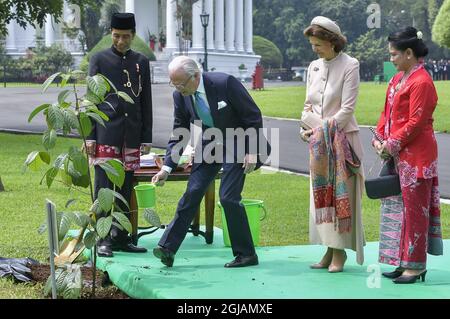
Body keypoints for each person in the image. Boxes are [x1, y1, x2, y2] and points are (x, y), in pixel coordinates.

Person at [151, 56, 271, 268]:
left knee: (228, 197)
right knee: (193, 191)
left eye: (180, 83)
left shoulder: (225, 83)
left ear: (195, 76)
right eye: (173, 83)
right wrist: (167, 167)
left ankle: (247, 254)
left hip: (240, 141)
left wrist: (252, 151)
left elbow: (252, 116)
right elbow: (180, 131)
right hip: (211, 143)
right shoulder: (181, 96)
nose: (177, 88)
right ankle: (167, 248)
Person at [373, 27, 443, 284]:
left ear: (409, 53)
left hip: (417, 157)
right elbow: (386, 113)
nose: (391, 59)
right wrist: (379, 137)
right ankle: (402, 262)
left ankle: (415, 266)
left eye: (394, 54)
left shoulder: (422, 81)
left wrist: (390, 143)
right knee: (396, 210)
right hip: (397, 155)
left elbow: (416, 122)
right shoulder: (397, 79)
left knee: (415, 212)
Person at [300, 16, 365, 272]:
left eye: (318, 44)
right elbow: (307, 106)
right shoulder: (313, 67)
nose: (314, 49)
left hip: (342, 142)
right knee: (321, 198)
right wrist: (306, 130)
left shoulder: (350, 64)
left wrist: (320, 130)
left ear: (332, 41)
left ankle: (340, 253)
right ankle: (329, 249)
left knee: (341, 198)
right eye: (312, 44)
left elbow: (347, 109)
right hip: (318, 145)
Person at [86, 13, 153, 257]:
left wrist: (146, 136)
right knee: (104, 187)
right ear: (110, 34)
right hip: (106, 133)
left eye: (126, 36)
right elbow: (91, 100)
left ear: (133, 35)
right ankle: (103, 238)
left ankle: (122, 237)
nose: (121, 41)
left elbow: (146, 101)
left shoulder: (141, 61)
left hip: (132, 135)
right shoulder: (99, 59)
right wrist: (91, 136)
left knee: (125, 187)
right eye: (116, 36)